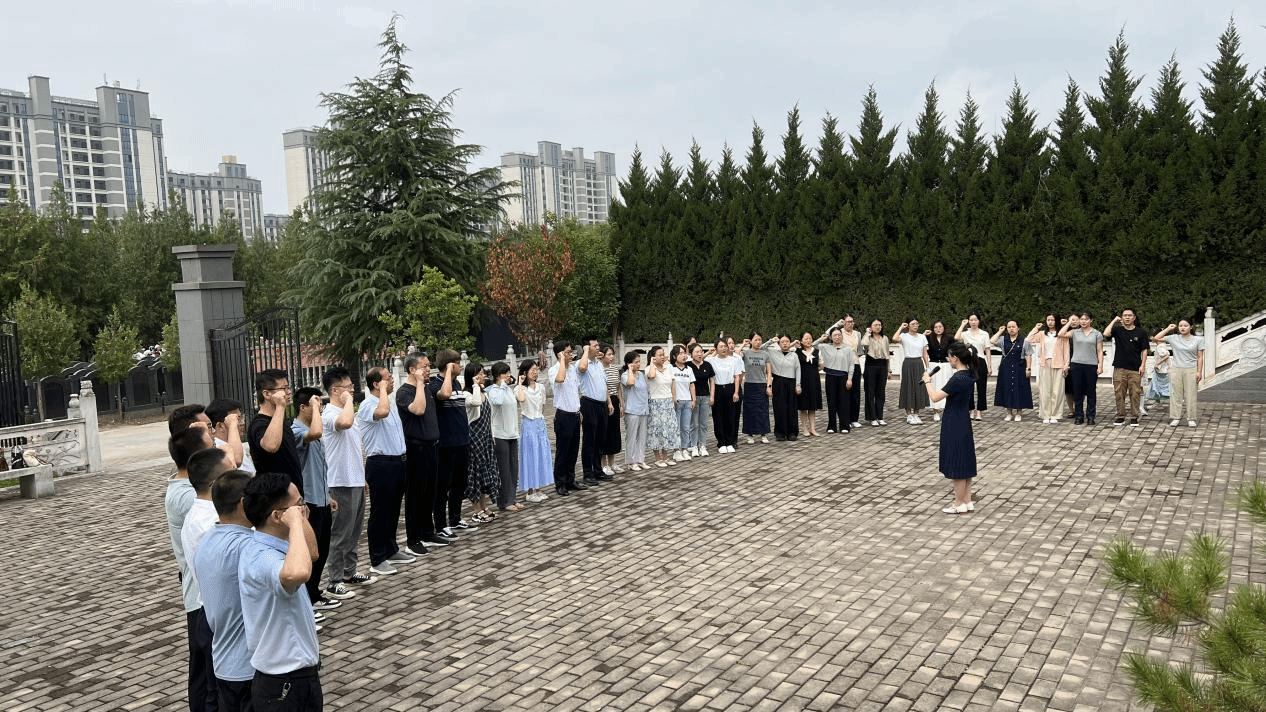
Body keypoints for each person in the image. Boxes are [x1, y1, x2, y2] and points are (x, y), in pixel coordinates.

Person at [238, 471, 323, 711]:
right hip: (283, 685)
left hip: (299, 677)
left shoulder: (276, 540)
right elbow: (298, 573)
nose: (304, 510)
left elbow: (312, 553)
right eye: (299, 505)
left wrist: (296, 518)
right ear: (278, 516)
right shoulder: (262, 557)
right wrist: (295, 522)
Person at [193, 470, 256, 711]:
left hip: (223, 662)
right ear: (243, 503)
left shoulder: (208, 540)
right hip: (248, 668)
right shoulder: (247, 546)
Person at [165, 423, 216, 712]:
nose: (215, 439)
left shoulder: (187, 488)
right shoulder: (188, 497)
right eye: (210, 435)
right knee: (206, 677)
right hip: (200, 596)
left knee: (204, 671)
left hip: (200, 592)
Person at [178, 445, 232, 712]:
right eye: (233, 474)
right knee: (222, 694)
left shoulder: (203, 513)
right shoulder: (211, 522)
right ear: (216, 484)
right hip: (218, 617)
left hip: (211, 613)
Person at [321, 366, 376, 594]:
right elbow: (344, 424)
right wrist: (347, 402)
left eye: (352, 386)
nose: (352, 390)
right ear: (334, 390)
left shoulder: (347, 412)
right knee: (340, 533)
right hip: (339, 482)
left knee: (354, 531)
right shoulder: (329, 414)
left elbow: (355, 448)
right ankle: (334, 581)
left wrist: (362, 477)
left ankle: (350, 571)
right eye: (347, 387)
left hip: (355, 479)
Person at [358, 366, 414, 576]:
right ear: (376, 384)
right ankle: (377, 558)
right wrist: (382, 390)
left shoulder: (387, 402)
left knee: (393, 509)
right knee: (380, 512)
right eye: (387, 378)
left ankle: (391, 549)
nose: (392, 381)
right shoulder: (367, 405)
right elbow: (381, 413)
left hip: (398, 462)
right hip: (380, 463)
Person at [291, 386, 339, 612]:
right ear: (303, 407)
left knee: (322, 549)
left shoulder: (311, 429)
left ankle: (315, 593)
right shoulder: (296, 430)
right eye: (315, 403)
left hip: (321, 498)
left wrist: (328, 495)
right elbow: (317, 433)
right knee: (311, 552)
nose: (320, 408)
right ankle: (307, 598)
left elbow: (321, 467)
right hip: (309, 501)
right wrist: (315, 408)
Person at [396, 354, 446, 553]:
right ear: (411, 370)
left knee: (430, 492)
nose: (428, 369)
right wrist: (418, 383)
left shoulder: (426, 388)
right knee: (416, 494)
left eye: (428, 366)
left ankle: (427, 532)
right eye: (424, 366)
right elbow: (418, 410)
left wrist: (421, 384)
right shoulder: (404, 392)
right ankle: (413, 539)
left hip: (432, 446)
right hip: (416, 448)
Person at [923, 341, 979, 514]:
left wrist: (927, 381)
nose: (948, 359)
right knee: (965, 460)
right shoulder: (969, 374)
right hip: (963, 419)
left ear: (955, 358)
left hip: (953, 421)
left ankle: (959, 503)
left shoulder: (958, 378)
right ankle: (967, 500)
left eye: (949, 357)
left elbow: (935, 397)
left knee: (957, 461)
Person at [432, 350, 478, 531]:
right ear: (449, 365)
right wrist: (449, 374)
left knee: (460, 483)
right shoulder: (435, 384)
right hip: (445, 444)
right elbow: (444, 395)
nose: (461, 366)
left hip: (462, 441)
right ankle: (441, 525)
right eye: (457, 363)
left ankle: (455, 518)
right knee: (443, 486)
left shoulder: (457, 384)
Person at [247, 369, 303, 489]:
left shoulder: (281, 422)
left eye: (288, 388)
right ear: (267, 394)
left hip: (293, 491)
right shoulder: (259, 424)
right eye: (283, 388)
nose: (288, 392)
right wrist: (280, 406)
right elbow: (271, 446)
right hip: (274, 494)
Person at [463, 362, 501, 522]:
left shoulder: (485, 393)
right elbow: (476, 402)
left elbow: (489, 415)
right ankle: (476, 509)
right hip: (474, 437)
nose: (482, 376)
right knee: (475, 473)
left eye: (482, 373)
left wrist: (492, 434)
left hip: (486, 437)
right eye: (478, 373)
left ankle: (484, 506)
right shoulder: (467, 394)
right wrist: (475, 385)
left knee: (486, 472)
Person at [548, 341, 585, 495]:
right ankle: (560, 483)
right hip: (563, 415)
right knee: (563, 451)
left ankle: (571, 479)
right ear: (560, 354)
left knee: (573, 450)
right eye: (568, 352)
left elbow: (575, 392)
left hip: (575, 413)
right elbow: (560, 379)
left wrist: (579, 410)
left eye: (571, 352)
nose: (571, 355)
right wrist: (562, 360)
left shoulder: (573, 370)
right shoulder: (554, 370)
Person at [1153, 319, 1205, 427]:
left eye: (1185, 325)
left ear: (1191, 327)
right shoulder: (1174, 338)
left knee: (1191, 395)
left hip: (1191, 369)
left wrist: (1199, 372)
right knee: (1176, 395)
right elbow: (1156, 338)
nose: (1183, 327)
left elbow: (1200, 357)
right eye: (1180, 325)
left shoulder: (1198, 340)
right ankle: (1175, 417)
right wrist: (1168, 328)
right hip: (1176, 369)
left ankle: (1191, 418)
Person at [1104, 308, 1150, 427]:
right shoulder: (1118, 330)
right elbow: (1106, 333)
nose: (1127, 317)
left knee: (1135, 393)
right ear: (1122, 317)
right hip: (1119, 367)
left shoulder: (1141, 332)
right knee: (1119, 393)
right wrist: (1114, 320)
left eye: (1130, 315)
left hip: (1135, 368)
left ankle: (1134, 416)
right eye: (1125, 315)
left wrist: (1143, 365)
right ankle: (1120, 416)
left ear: (1134, 317)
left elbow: (1144, 350)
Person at [486, 362, 522, 512]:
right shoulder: (492, 390)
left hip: (512, 433)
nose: (508, 376)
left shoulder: (507, 389)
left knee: (514, 468)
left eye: (508, 372)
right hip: (499, 434)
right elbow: (498, 401)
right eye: (504, 373)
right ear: (497, 376)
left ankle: (512, 498)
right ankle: (504, 501)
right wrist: (501, 385)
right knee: (504, 470)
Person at [578, 339, 614, 486]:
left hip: (601, 404)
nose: (598, 348)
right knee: (589, 440)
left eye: (598, 345)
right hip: (589, 403)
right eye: (595, 346)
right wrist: (586, 351)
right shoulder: (582, 363)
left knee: (600, 439)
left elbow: (604, 384)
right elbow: (582, 368)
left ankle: (598, 470)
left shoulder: (599, 364)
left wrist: (609, 402)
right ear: (587, 347)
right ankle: (588, 473)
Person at [516, 359, 552, 502]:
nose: (535, 372)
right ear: (525, 372)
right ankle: (530, 491)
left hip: (539, 423)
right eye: (532, 370)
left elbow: (542, 406)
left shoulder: (541, 387)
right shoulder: (520, 389)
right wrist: (520, 382)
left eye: (536, 370)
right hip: (528, 424)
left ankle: (539, 489)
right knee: (530, 456)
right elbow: (521, 399)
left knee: (541, 455)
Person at [1059, 312, 1104, 425]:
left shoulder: (1097, 334)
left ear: (1091, 320)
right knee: (1077, 391)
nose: (1083, 321)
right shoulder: (1075, 332)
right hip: (1076, 364)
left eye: (1086, 319)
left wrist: (1100, 365)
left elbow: (1099, 351)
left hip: (1091, 365)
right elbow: (1061, 334)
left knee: (1091, 392)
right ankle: (1079, 416)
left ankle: (1091, 416)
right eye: (1082, 319)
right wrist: (1069, 322)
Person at [1026, 315, 1070, 425]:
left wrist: (1066, 365)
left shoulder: (1061, 334)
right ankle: (1045, 414)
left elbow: (1066, 350)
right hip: (1045, 364)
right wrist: (1036, 328)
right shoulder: (1042, 334)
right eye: (1048, 320)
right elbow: (1028, 339)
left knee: (1057, 391)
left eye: (1052, 320)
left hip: (1059, 364)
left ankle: (1055, 414)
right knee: (1045, 390)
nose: (1050, 322)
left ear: (1056, 321)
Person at [991, 320, 1034, 421]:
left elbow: (1028, 354)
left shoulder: (1024, 340)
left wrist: (1028, 368)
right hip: (1006, 367)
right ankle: (1009, 412)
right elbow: (992, 341)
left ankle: (1019, 412)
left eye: (1013, 327)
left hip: (1019, 367)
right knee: (1007, 388)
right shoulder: (1003, 339)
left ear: (1018, 328)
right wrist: (1000, 331)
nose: (1011, 329)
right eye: (1009, 327)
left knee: (1019, 388)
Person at [817, 324, 856, 433]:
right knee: (831, 402)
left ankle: (844, 426)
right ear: (831, 337)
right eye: (835, 335)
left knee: (843, 402)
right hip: (830, 376)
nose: (837, 337)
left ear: (842, 336)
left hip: (843, 377)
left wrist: (850, 378)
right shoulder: (826, 347)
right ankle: (831, 426)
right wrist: (822, 338)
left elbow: (851, 364)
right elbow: (813, 345)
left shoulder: (847, 349)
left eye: (839, 335)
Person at [705, 338, 742, 452]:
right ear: (716, 348)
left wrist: (736, 392)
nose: (724, 348)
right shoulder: (712, 361)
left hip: (730, 388)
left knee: (731, 416)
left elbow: (737, 377)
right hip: (717, 389)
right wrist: (711, 352)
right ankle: (721, 443)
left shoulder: (734, 360)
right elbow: (701, 360)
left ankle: (730, 442)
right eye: (720, 346)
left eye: (725, 346)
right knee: (718, 416)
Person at [954, 315, 992, 420]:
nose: (973, 322)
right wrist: (962, 325)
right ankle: (971, 409)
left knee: (981, 387)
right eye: (971, 320)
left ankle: (979, 411)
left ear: (979, 321)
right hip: (969, 362)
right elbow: (956, 338)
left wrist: (990, 366)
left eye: (975, 320)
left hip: (981, 361)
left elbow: (987, 350)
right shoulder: (965, 334)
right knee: (969, 387)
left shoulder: (984, 334)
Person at [645, 345, 677, 467]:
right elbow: (652, 376)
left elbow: (672, 383)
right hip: (655, 402)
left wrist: (673, 398)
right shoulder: (649, 369)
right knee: (656, 430)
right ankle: (658, 458)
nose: (663, 357)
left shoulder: (668, 368)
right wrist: (652, 363)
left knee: (667, 430)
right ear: (653, 357)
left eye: (663, 354)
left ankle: (665, 456)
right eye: (660, 355)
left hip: (667, 401)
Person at [893, 319, 930, 424]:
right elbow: (894, 338)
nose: (915, 326)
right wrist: (901, 327)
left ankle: (916, 414)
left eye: (917, 324)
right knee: (908, 387)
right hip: (908, 363)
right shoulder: (904, 336)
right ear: (908, 325)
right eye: (913, 324)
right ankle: (909, 415)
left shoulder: (922, 337)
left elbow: (925, 353)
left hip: (918, 363)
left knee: (919, 387)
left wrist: (927, 367)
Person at [767, 334, 802, 441]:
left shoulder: (794, 355)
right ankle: (780, 432)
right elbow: (762, 348)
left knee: (792, 408)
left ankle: (792, 432)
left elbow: (798, 370)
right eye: (782, 342)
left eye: (787, 341)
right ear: (779, 343)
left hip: (791, 382)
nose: (785, 343)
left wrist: (798, 385)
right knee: (779, 408)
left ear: (790, 343)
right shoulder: (773, 353)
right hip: (778, 382)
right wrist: (771, 341)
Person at [740, 332, 773, 443]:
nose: (758, 342)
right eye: (756, 340)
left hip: (761, 385)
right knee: (749, 410)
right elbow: (735, 354)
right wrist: (743, 345)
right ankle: (750, 434)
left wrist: (769, 386)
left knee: (762, 410)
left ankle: (763, 433)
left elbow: (769, 372)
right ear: (750, 341)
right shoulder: (746, 353)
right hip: (749, 385)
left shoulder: (765, 354)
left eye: (760, 340)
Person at [206, 398, 253, 473]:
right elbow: (237, 460)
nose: (242, 423)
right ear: (220, 426)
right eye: (236, 419)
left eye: (242, 418)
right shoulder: (217, 448)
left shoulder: (236, 445)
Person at [621, 350, 650, 470]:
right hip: (632, 410)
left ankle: (640, 459)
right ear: (629, 363)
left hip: (643, 409)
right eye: (636, 362)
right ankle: (630, 461)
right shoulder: (625, 375)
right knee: (631, 436)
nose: (639, 364)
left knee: (642, 436)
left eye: (639, 362)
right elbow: (630, 383)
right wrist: (630, 369)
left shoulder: (641, 375)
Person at [860, 319, 891, 426]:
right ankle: (872, 417)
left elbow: (887, 355)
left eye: (879, 325)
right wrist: (867, 333)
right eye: (875, 325)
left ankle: (880, 417)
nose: (878, 327)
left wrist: (889, 370)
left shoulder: (885, 338)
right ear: (870, 326)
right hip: (871, 366)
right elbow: (864, 344)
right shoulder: (868, 337)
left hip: (882, 366)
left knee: (881, 392)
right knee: (870, 392)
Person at [668, 345, 696, 461]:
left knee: (685, 427)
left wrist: (693, 399)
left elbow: (692, 385)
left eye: (684, 353)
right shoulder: (670, 368)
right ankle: (676, 450)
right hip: (676, 401)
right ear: (674, 356)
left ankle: (684, 449)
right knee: (676, 427)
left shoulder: (689, 369)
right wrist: (673, 398)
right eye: (680, 353)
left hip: (687, 401)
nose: (684, 356)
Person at [837, 316, 864, 429]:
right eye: (848, 322)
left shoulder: (857, 334)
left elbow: (860, 350)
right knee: (844, 392)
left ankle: (854, 419)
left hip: (855, 363)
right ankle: (845, 419)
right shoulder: (839, 332)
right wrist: (837, 324)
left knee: (855, 393)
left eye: (852, 322)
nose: (850, 324)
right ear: (843, 322)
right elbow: (828, 335)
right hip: (843, 365)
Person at [687, 344, 715, 455]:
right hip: (693, 398)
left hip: (705, 397)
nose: (700, 354)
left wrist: (712, 396)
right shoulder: (688, 366)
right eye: (697, 352)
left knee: (703, 424)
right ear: (691, 354)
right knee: (694, 424)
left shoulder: (707, 365)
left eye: (701, 351)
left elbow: (712, 381)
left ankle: (702, 445)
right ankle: (694, 446)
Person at [601, 345, 624, 474]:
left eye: (612, 354)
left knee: (614, 432)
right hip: (604, 402)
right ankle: (604, 465)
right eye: (609, 354)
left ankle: (612, 462)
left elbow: (618, 387)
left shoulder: (615, 369)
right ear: (602, 355)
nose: (611, 357)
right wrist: (608, 401)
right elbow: (603, 387)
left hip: (615, 400)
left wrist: (621, 404)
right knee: (604, 432)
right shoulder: (599, 369)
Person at [795, 332, 822, 436]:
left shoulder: (817, 351)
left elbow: (821, 365)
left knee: (812, 406)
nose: (808, 340)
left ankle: (813, 428)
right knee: (803, 406)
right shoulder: (797, 352)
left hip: (814, 380)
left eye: (810, 338)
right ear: (801, 340)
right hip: (802, 380)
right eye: (805, 339)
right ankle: (804, 428)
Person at [926, 321, 952, 422]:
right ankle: (935, 411)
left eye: (940, 326)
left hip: (946, 366)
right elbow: (921, 345)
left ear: (944, 327)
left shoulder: (949, 338)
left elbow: (954, 349)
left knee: (946, 387)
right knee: (935, 387)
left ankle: (947, 410)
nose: (938, 329)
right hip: (934, 365)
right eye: (936, 327)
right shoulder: (928, 338)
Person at [1146, 341, 1172, 405]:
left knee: (1158, 384)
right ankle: (1157, 400)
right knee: (1157, 384)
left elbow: (1167, 355)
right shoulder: (1162, 346)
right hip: (1163, 369)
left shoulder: (1160, 347)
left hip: (1161, 369)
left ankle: (1158, 399)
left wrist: (1158, 363)